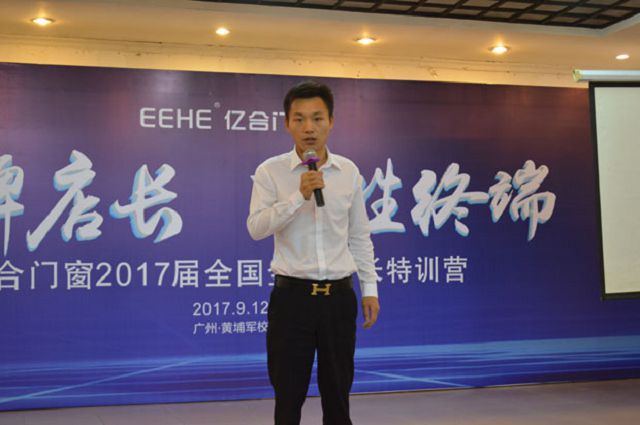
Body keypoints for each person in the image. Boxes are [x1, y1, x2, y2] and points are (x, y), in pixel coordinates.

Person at [247, 80, 380, 425]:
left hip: (338, 299)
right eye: (300, 119)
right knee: (288, 397)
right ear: (287, 124)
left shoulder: (348, 172)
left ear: (331, 122)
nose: (309, 128)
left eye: (317, 118)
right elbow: (256, 227)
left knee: (338, 396)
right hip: (292, 301)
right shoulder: (270, 171)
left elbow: (359, 235)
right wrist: (298, 197)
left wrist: (369, 289)